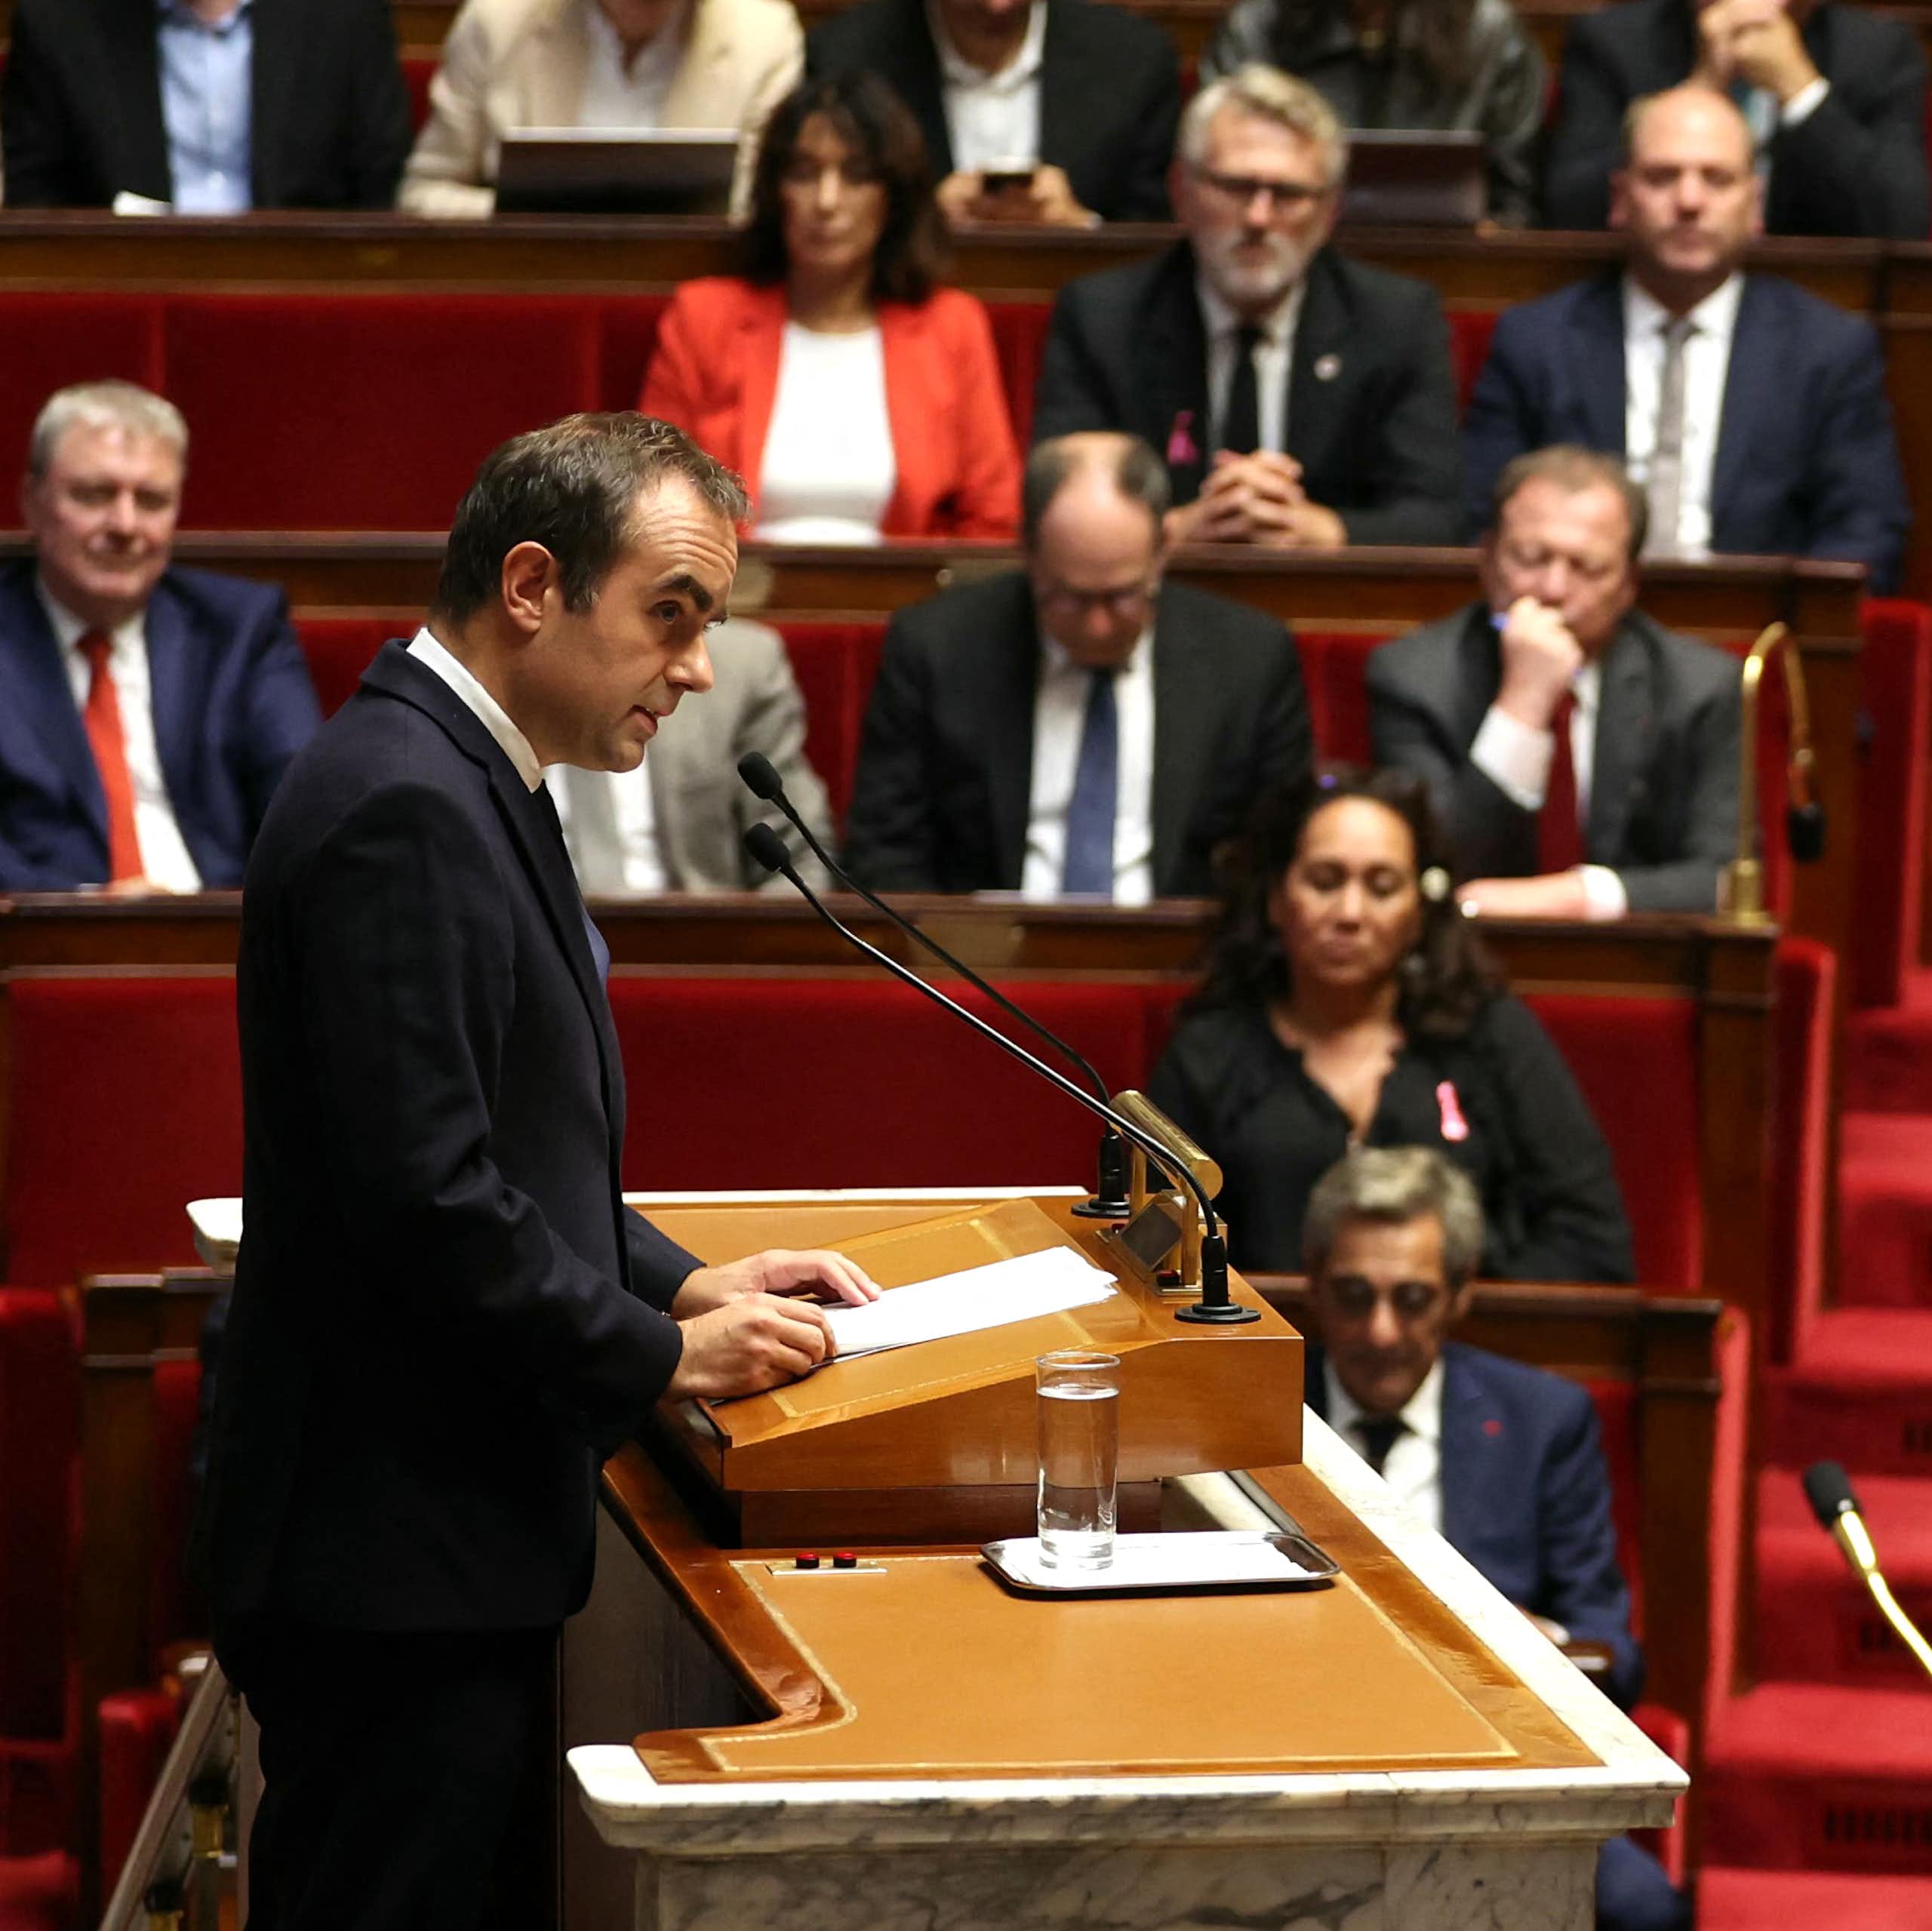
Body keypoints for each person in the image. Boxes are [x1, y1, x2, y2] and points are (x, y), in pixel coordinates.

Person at [195, 414, 881, 1931]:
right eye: (671, 613)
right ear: (530, 585)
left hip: (440, 1541)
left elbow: (511, 1147)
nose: (695, 668)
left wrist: (684, 1280)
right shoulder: (404, 802)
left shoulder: (469, 775)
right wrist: (657, 1354)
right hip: (387, 1553)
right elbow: (423, 1199)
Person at [1300, 1146, 1685, 1931]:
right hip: (1303, 1765)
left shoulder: (1543, 1420)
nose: (1379, 1331)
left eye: (1412, 1299)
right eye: (1353, 1296)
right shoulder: (1253, 1408)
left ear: (1459, 1293)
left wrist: (1538, 1643)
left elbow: (1612, 1647)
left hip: (1499, 1774)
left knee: (1642, 1910)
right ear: (1313, 1283)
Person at [1148, 768, 1634, 1280]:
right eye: (1324, 882)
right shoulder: (1208, 1055)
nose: (1350, 913)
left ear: (1418, 911)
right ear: (1276, 900)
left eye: (1381, 887)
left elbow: (1592, 1241)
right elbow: (1152, 1256)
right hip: (1260, 1330)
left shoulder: (1490, 1034)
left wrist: (1453, 1311)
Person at [1466, 85, 1909, 591]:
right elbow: (1483, 518)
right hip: (1566, 614)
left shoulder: (1827, 349)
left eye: (1717, 179)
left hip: (1755, 622)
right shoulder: (1536, 340)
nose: (1689, 201)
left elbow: (1868, 529)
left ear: (1755, 203)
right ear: (1620, 198)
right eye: (1662, 177)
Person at [842, 431, 1312, 898]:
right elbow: (884, 855)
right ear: (1029, 553)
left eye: (1122, 597)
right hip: (983, 941)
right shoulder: (938, 649)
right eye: (1071, 597)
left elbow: (1278, 863)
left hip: (1181, 941)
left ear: (1163, 549)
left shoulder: (1249, 662)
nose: (1098, 626)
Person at [1030, 65, 1463, 550]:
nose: (1258, 217)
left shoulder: (1396, 321)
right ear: (1180, 191)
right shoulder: (1102, 318)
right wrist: (1174, 529)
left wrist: (1320, 531)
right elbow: (1055, 501)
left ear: (1330, 212)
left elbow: (1437, 517)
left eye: (1288, 194)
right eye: (1235, 188)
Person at [641, 71, 1021, 542]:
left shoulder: (951, 327)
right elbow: (656, 503)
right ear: (776, 191)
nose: (826, 201)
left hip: (905, 587)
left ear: (893, 196)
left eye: (856, 176)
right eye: (804, 174)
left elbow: (993, 517)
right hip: (735, 586)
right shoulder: (705, 318)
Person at [1367, 446, 1741, 918]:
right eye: (1530, 558)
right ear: (1488, 561)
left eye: (1588, 568)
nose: (1554, 590)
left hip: (1634, 955)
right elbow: (1432, 873)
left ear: (1629, 584)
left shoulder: (1700, 688)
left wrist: (1577, 896)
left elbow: (1723, 880)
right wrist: (1523, 703)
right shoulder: (1413, 678)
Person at [0, 380, 320, 893]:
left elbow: (309, 814)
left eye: (151, 501)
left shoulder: (241, 630)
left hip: (224, 927)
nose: (125, 524)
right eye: (94, 494)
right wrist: (88, 910)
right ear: (32, 503)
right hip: (45, 930)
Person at [1542, 0, 1927, 238]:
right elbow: (1572, 211)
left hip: (1818, 301)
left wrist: (1801, 92)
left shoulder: (1879, 52)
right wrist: (1702, 88)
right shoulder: (1613, 42)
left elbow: (1903, 225)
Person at [398, 0, 803, 217]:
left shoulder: (764, 37)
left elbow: (761, 214)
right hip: (528, 287)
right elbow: (422, 195)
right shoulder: (498, 22)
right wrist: (525, 216)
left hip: (699, 299)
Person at [1, 0, 411, 211]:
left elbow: (381, 186)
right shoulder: (61, 22)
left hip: (299, 285)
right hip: (126, 281)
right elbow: (35, 200)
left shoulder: (346, 17)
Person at [804, 0, 1181, 226]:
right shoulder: (845, 60)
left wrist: (1083, 229)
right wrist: (925, 227)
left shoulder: (1133, 60)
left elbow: (1158, 240)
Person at [551, 614, 836, 891]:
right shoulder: (531, 679)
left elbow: (801, 860)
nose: (701, 675)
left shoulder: (743, 664)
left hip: (704, 918)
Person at [1199, 0, 1546, 224]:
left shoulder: (1486, 32)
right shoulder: (1259, 25)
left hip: (1444, 259)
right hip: (1287, 247)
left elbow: (1512, 200)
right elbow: (1209, 172)